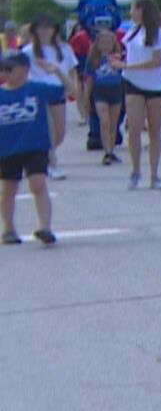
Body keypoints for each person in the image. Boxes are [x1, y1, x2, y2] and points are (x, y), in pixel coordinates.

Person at [0, 51, 59, 245]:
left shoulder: (37, 88)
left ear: (25, 69)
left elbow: (69, 91)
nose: (5, 73)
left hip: (35, 145)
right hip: (7, 148)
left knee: (38, 183)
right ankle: (8, 228)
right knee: (8, 188)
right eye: (2, 69)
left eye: (10, 69)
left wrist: (57, 71)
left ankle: (45, 227)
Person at [113, 0, 161, 190]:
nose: (131, 13)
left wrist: (127, 65)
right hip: (133, 83)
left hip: (154, 85)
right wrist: (119, 61)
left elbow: (156, 61)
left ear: (142, 10)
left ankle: (154, 174)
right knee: (135, 128)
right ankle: (136, 170)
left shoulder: (159, 34)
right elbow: (127, 52)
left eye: (133, 9)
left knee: (154, 130)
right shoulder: (132, 32)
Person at [24, 16, 79, 180]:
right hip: (37, 90)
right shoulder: (28, 51)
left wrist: (72, 87)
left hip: (58, 89)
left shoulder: (64, 49)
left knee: (60, 131)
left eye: (48, 28)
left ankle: (40, 156)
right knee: (46, 130)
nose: (45, 31)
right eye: (41, 28)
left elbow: (72, 70)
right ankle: (52, 165)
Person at [86, 29, 126, 167]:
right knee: (104, 121)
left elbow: (125, 75)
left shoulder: (118, 58)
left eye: (108, 42)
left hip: (115, 91)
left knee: (113, 124)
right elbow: (89, 80)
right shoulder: (93, 59)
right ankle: (107, 151)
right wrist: (86, 98)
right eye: (102, 42)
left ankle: (112, 150)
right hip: (100, 91)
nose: (105, 45)